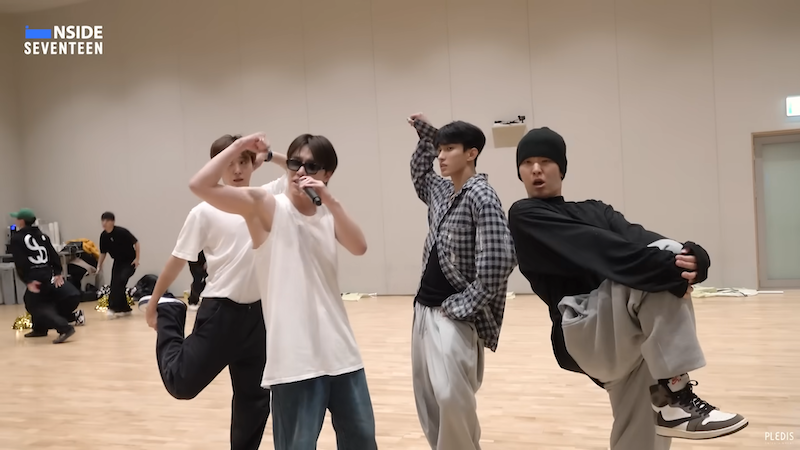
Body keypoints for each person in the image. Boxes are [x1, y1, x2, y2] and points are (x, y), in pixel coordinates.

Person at [506, 127, 748, 450]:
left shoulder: (596, 210)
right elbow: (602, 251)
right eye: (527, 163)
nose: (536, 169)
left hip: (624, 328)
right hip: (584, 330)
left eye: (546, 161)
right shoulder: (525, 215)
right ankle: (676, 394)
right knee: (648, 275)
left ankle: (669, 403)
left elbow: (641, 239)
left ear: (561, 168)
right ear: (520, 171)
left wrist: (692, 258)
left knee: (642, 434)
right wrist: (671, 270)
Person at [188, 131, 377, 450]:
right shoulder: (266, 206)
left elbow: (359, 246)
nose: (300, 171)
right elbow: (200, 185)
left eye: (311, 167)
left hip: (342, 353)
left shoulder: (327, 213)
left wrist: (331, 201)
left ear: (327, 174)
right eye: (294, 164)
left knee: (362, 441)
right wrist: (239, 146)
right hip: (295, 361)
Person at [139, 134, 288, 450]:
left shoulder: (266, 197)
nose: (237, 170)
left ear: (252, 165)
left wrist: (268, 154)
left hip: (259, 317)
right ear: (217, 167)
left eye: (243, 162)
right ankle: (170, 311)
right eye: (229, 163)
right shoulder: (204, 212)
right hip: (222, 312)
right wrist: (154, 303)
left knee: (255, 400)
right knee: (181, 383)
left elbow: (296, 172)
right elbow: (177, 260)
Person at [406, 113, 517, 450]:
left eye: (449, 149)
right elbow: (419, 174)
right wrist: (429, 135)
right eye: (439, 149)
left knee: (452, 396)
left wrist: (462, 305)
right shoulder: (442, 191)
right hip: (424, 310)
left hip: (453, 314)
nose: (441, 156)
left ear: (471, 153)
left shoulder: (481, 195)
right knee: (428, 397)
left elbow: (500, 260)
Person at [8, 208, 85, 344]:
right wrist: (58, 272)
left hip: (34, 275)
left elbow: (20, 261)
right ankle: (39, 329)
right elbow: (54, 255)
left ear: (21, 221)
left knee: (37, 306)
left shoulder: (17, 238)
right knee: (34, 300)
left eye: (17, 219)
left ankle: (64, 328)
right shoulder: (42, 236)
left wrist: (28, 280)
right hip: (47, 274)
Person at [97, 211, 140, 318]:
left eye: (107, 221)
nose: (104, 223)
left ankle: (112, 308)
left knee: (121, 280)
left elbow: (136, 243)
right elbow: (103, 253)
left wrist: (137, 259)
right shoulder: (103, 236)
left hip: (130, 261)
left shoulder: (122, 232)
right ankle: (125, 309)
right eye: (103, 221)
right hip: (118, 262)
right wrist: (99, 265)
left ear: (112, 222)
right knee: (115, 284)